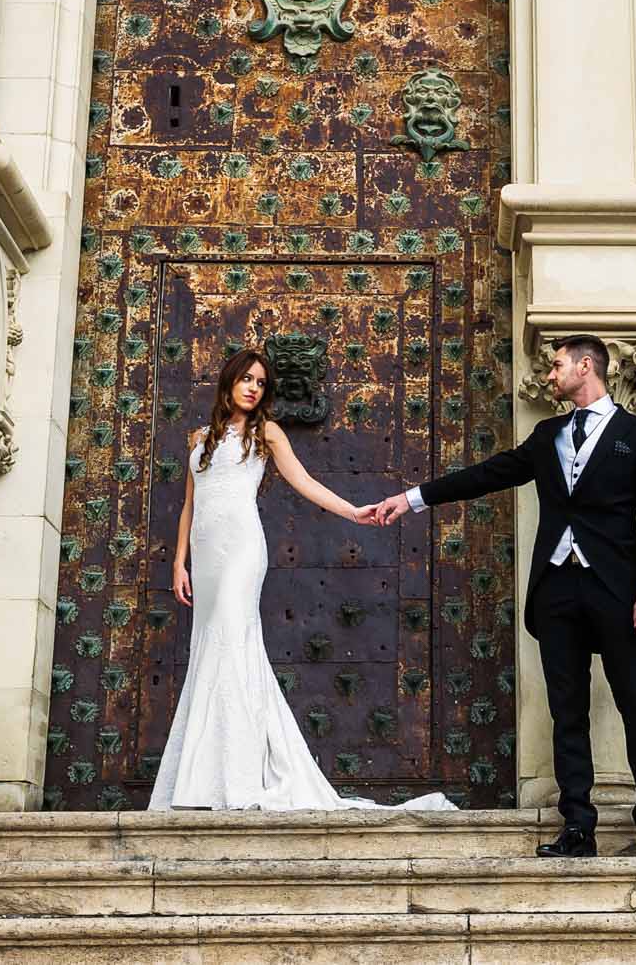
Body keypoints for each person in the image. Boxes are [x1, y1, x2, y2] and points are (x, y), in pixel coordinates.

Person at [373, 335, 636, 857]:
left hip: (617, 591)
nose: (550, 374)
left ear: (586, 367)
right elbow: (490, 474)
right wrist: (413, 498)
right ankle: (578, 827)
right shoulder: (547, 434)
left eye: (557, 365)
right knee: (568, 711)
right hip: (557, 589)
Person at [150, 348, 453, 812]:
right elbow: (191, 504)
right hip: (206, 557)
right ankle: (204, 777)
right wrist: (179, 562)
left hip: (242, 551)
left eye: (261, 383)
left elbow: (304, 481)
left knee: (233, 642)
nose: (253, 388)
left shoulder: (265, 432)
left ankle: (240, 775)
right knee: (209, 650)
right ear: (229, 381)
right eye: (246, 379)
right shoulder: (200, 437)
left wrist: (354, 512)